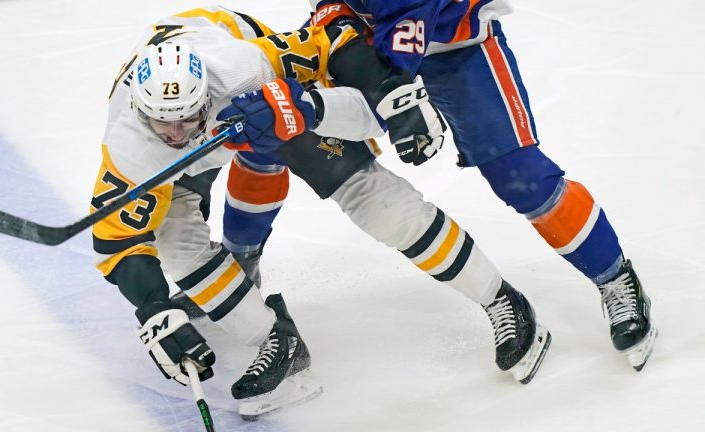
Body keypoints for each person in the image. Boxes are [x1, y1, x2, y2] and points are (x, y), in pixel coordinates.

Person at [92, 5, 552, 421]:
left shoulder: (243, 70)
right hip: (198, 107)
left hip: (259, 98)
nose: (175, 136)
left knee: (377, 201)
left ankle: (501, 298)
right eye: (162, 123)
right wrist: (153, 308)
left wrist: (339, 103)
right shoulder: (132, 143)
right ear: (139, 109)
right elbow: (118, 242)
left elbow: (335, 49)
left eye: (185, 120)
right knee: (171, 236)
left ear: (205, 99)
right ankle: (277, 344)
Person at [235, 0, 657, 370]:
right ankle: (499, 300)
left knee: (522, 178)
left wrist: (393, 97)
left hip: (459, 49)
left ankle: (614, 277)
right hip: (368, 54)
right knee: (277, 129)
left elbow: (406, 17)